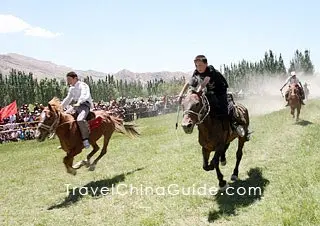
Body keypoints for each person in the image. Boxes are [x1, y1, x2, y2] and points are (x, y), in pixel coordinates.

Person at [177, 55, 245, 136]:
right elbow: (189, 83)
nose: (198, 67)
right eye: (196, 65)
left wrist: (198, 92)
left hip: (220, 90)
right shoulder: (196, 72)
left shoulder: (210, 70)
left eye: (200, 65)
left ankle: (235, 124)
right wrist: (180, 95)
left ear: (206, 64)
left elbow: (204, 83)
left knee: (225, 108)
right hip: (209, 91)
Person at [61, 71, 94, 149]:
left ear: (75, 78)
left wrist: (79, 102)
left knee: (80, 120)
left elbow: (84, 95)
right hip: (76, 106)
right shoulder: (71, 89)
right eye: (67, 79)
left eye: (69, 79)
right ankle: (67, 141)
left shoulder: (83, 85)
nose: (68, 81)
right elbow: (68, 99)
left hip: (84, 105)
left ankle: (86, 139)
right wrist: (60, 107)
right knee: (65, 119)